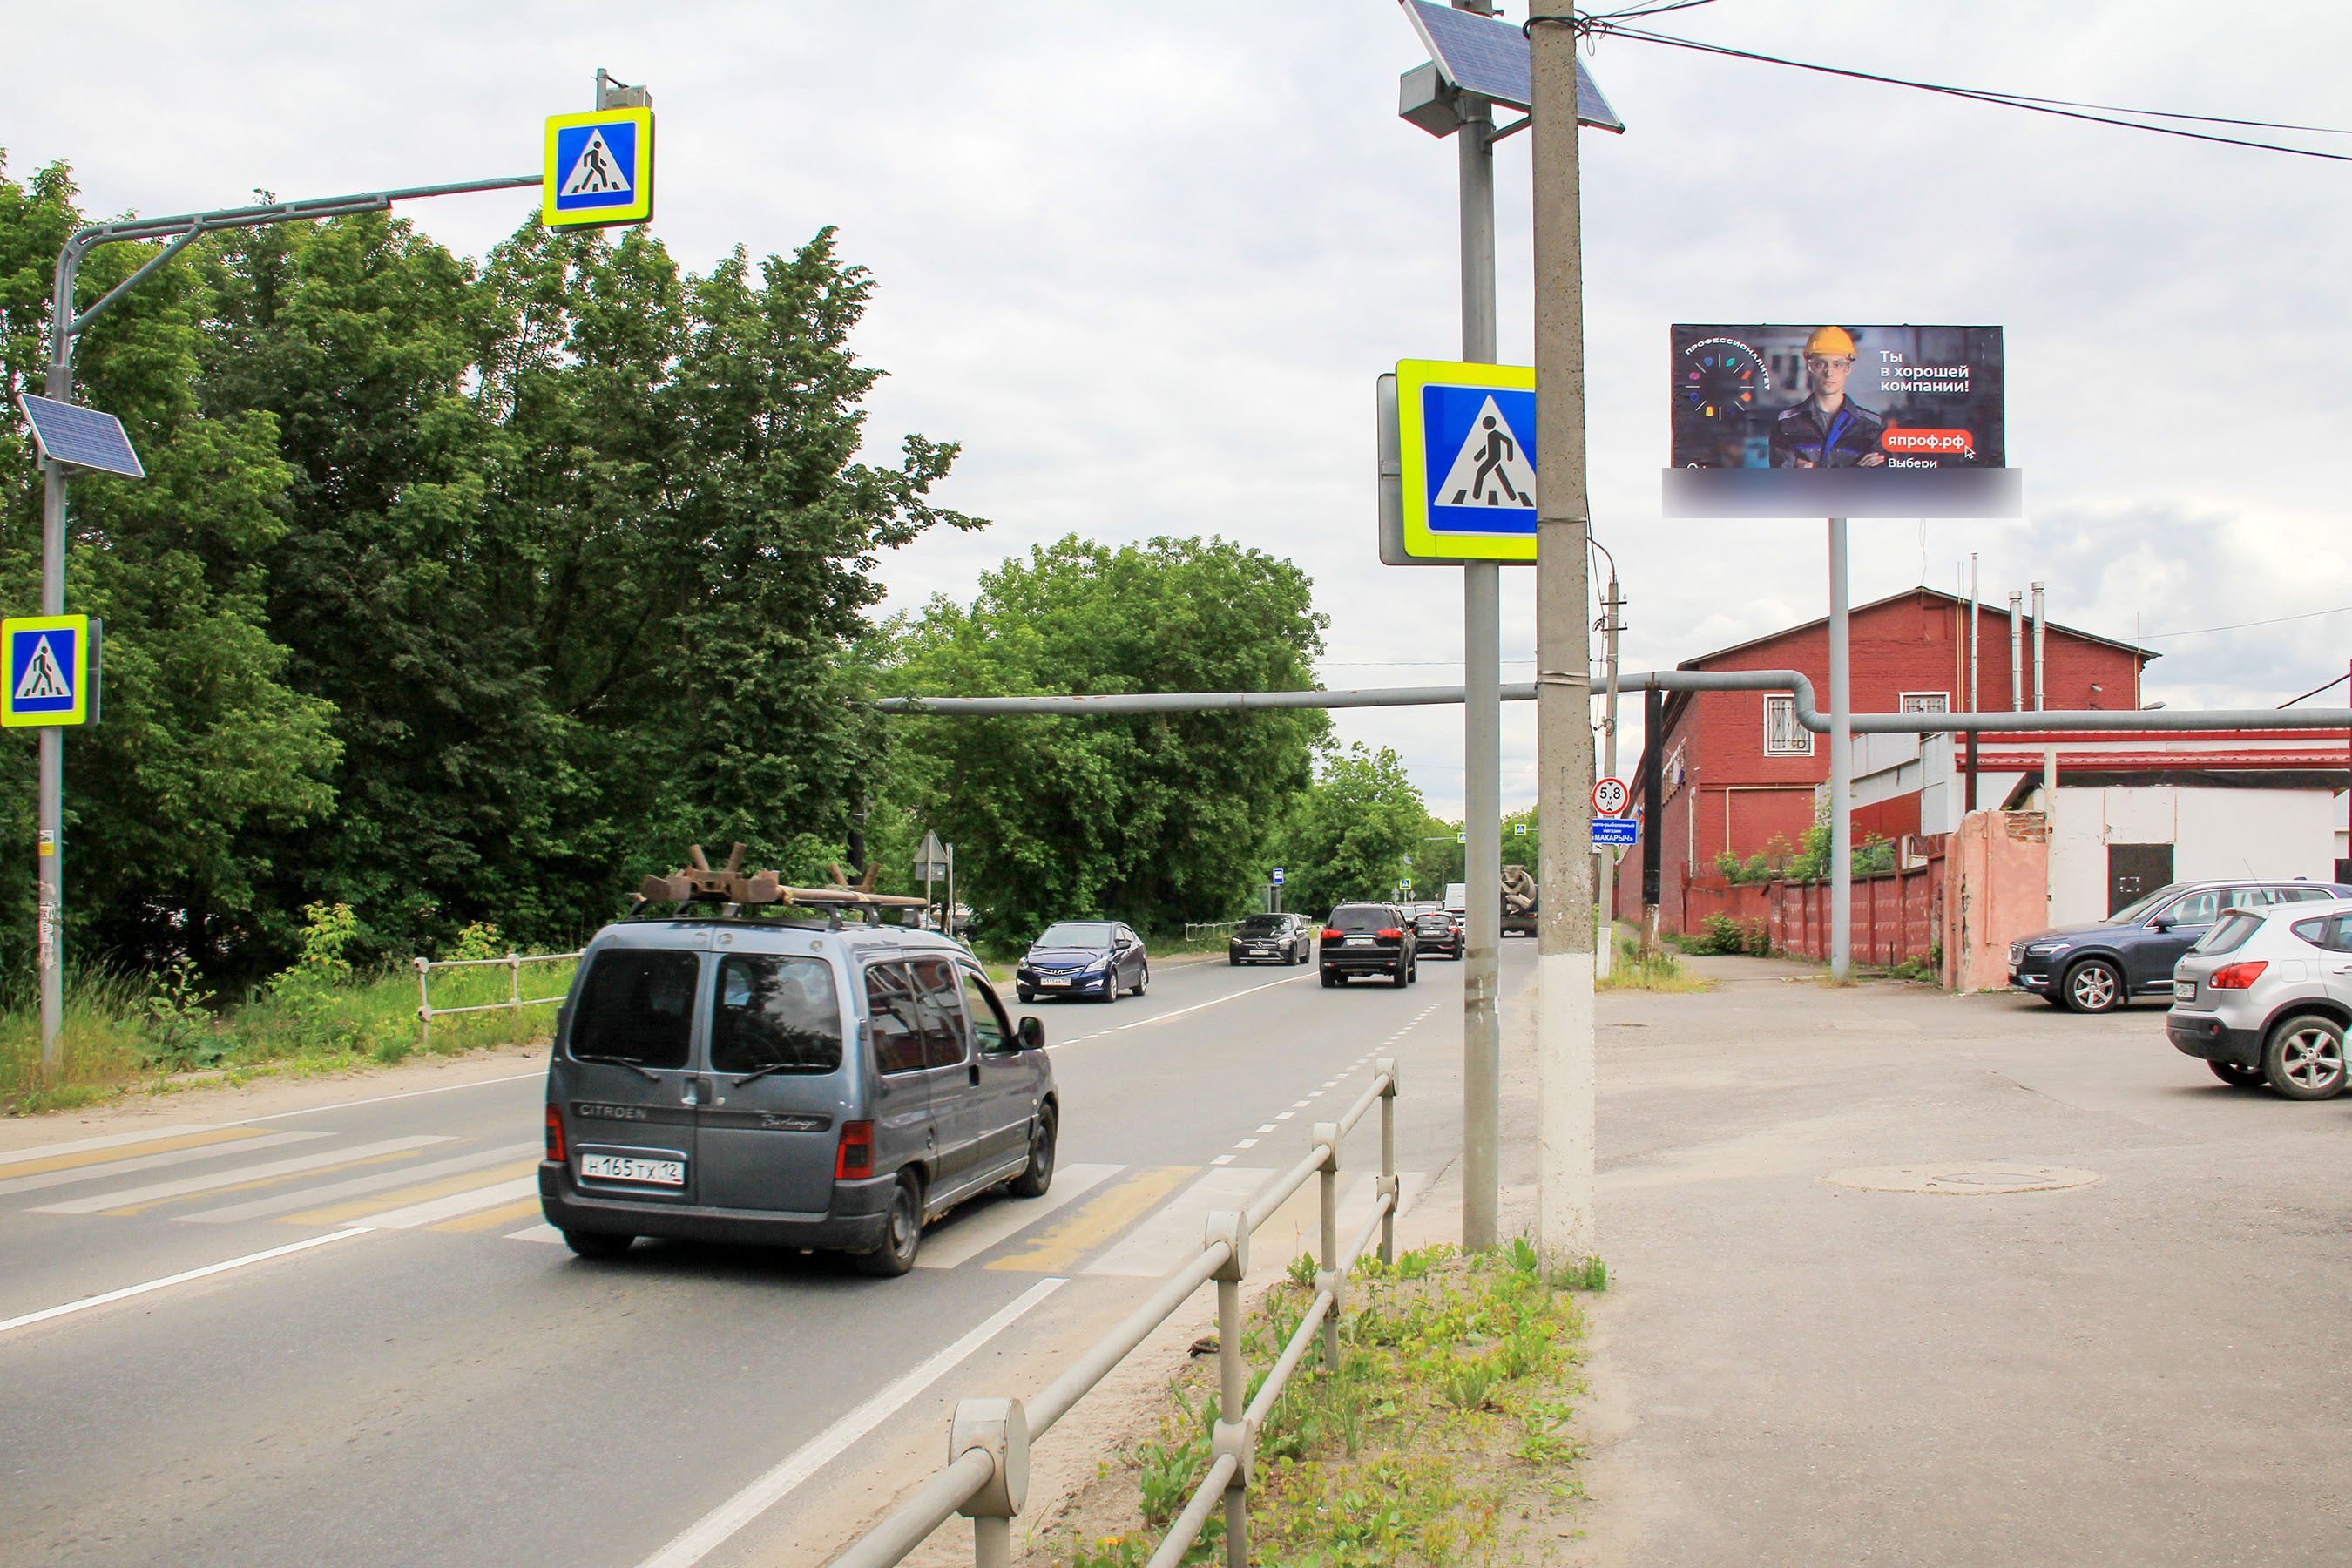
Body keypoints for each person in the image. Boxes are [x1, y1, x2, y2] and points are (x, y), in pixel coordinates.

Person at [1770, 326, 1886, 469]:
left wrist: (1809, 467)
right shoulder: (1786, 423)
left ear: (1848, 368)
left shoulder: (1873, 426)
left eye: (1837, 364)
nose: (1829, 373)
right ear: (1810, 367)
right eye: (1820, 364)